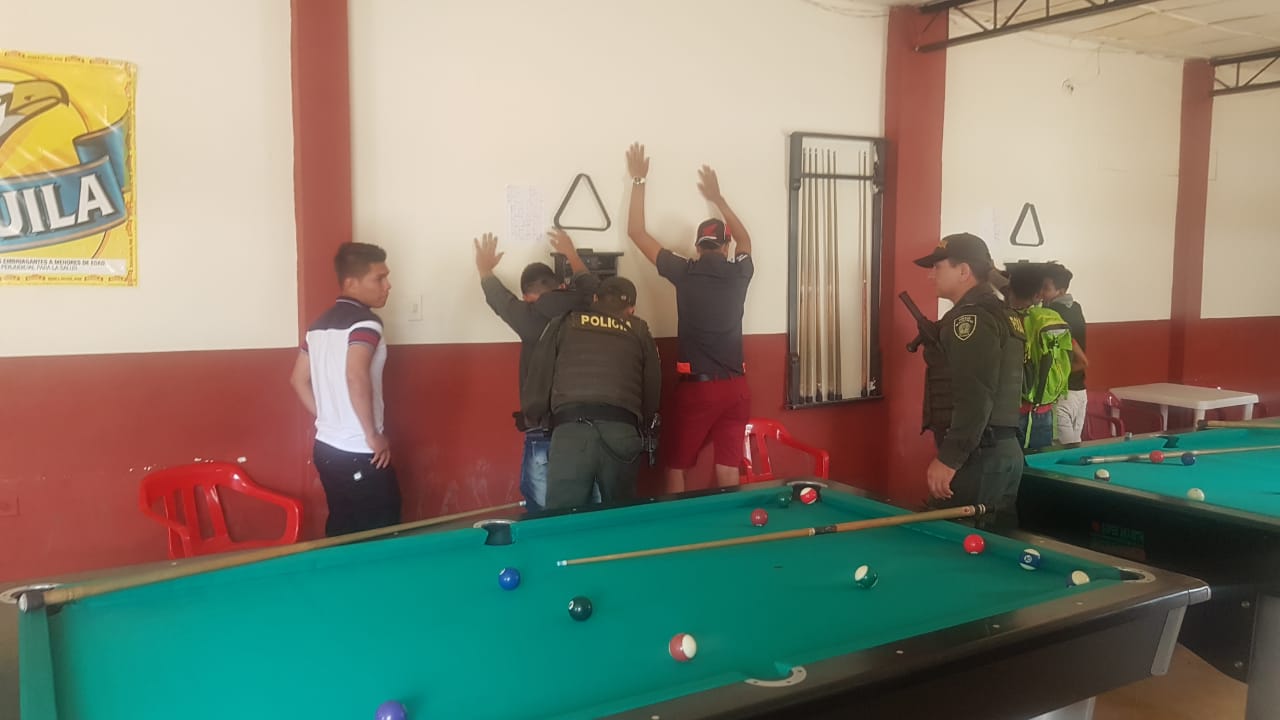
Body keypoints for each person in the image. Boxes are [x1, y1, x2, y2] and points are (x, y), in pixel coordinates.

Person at [624, 142, 753, 493]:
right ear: (725, 247)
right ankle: (731, 525)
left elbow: (636, 232)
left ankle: (678, 526)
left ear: (697, 246)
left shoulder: (684, 271)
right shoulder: (740, 272)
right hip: (737, 388)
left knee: (676, 465)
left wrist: (638, 180)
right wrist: (718, 198)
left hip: (699, 390)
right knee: (728, 468)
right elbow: (745, 239)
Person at [476, 229, 598, 511]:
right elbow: (591, 286)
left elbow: (499, 299)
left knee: (544, 514)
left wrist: (484, 269)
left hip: (545, 430)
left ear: (528, 297)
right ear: (561, 286)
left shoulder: (529, 317)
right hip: (589, 430)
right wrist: (572, 254)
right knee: (592, 514)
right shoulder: (589, 306)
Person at [914, 233, 1025, 530]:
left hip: (978, 458)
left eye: (938, 267)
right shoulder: (1004, 313)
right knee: (995, 548)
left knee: (956, 547)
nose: (931, 275)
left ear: (964, 271)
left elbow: (975, 395)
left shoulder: (970, 319)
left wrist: (949, 458)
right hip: (1000, 450)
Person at [521, 276, 662, 510]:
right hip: (621, 432)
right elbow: (652, 385)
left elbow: (540, 372)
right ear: (631, 309)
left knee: (563, 517)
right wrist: (645, 425)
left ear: (595, 299)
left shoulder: (564, 322)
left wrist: (534, 413)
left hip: (571, 431)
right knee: (620, 516)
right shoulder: (638, 329)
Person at [289, 242, 401, 536]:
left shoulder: (317, 327)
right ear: (351, 283)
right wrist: (372, 435)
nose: (388, 286)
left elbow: (297, 380)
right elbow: (355, 375)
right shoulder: (367, 324)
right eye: (379, 278)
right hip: (360, 450)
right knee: (381, 537)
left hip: (326, 447)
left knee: (342, 528)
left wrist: (329, 416)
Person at [1005, 265, 1072, 451]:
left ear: (1010, 291)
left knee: (1014, 467)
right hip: (1045, 409)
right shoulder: (1052, 317)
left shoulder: (1007, 320)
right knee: (1040, 464)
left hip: (1013, 413)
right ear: (1038, 294)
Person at [1042, 263, 1089, 444]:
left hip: (1062, 394)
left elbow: (1079, 355)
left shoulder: (1051, 313)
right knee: (1074, 447)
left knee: (1062, 450)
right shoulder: (1075, 307)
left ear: (1060, 291)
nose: (1041, 293)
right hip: (1080, 393)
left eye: (1046, 288)